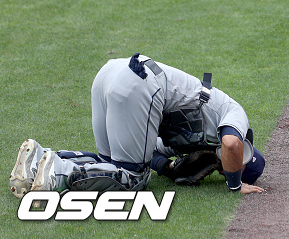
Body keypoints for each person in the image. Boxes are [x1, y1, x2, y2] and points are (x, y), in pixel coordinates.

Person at [9, 53, 264, 197]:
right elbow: (231, 144)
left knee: (108, 164)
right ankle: (58, 173)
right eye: (231, 167)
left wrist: (168, 168)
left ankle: (40, 160)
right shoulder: (234, 113)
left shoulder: (200, 140)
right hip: (140, 84)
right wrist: (235, 185)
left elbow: (152, 148)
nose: (221, 167)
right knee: (133, 177)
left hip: (111, 74)